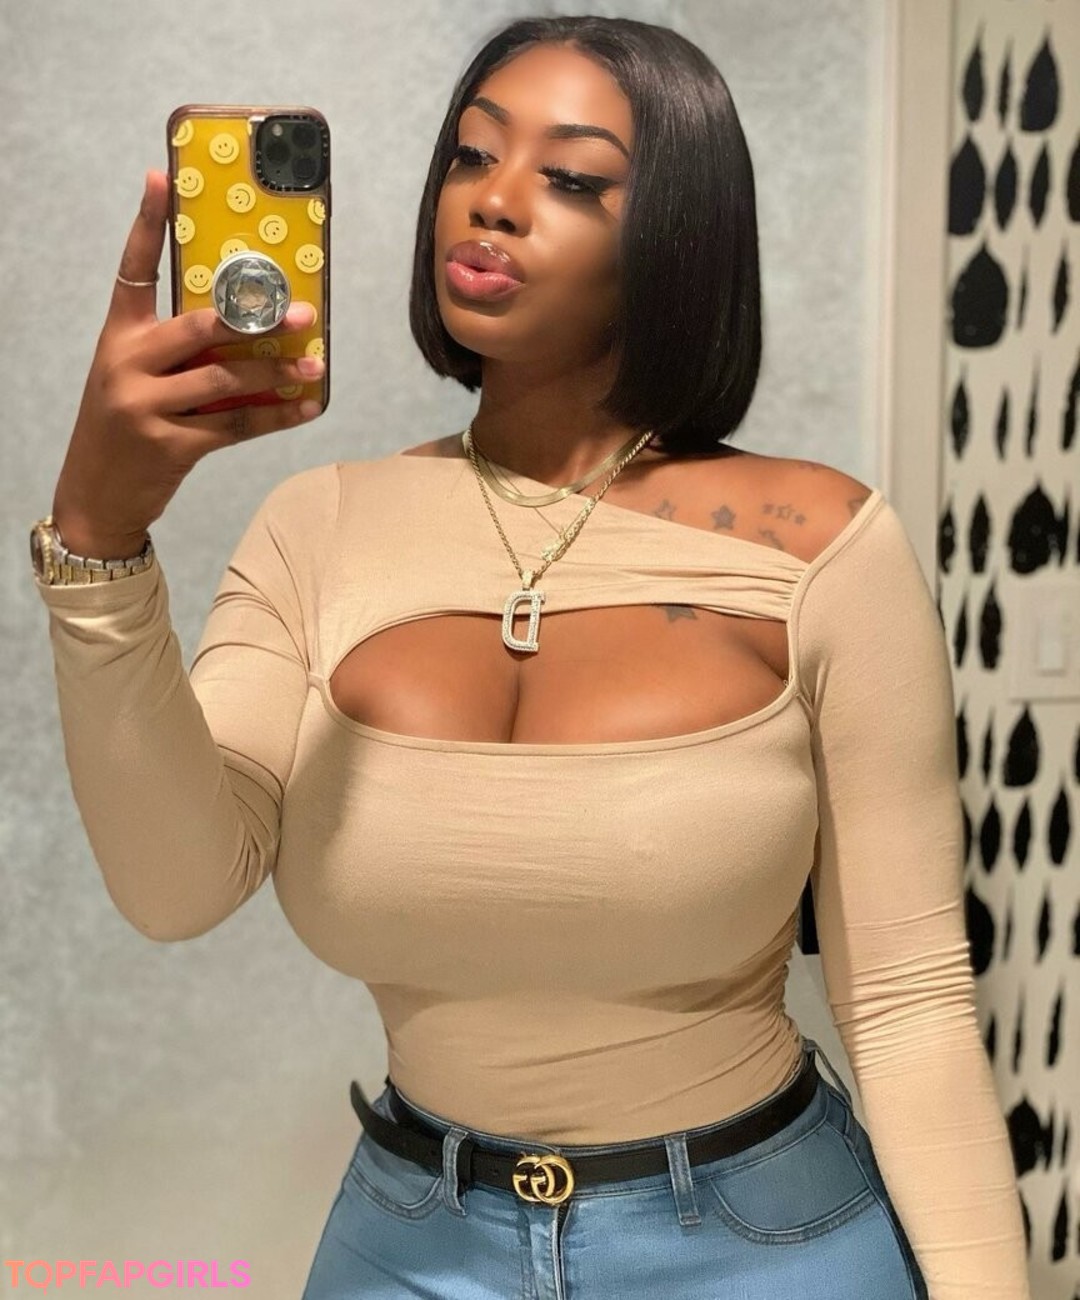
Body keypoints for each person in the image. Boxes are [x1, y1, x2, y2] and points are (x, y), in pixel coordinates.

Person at [30, 14, 1031, 1299]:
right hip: (410, 1245)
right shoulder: (318, 529)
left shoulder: (824, 547)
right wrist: (101, 544)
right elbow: (174, 887)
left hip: (767, 1246)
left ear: (677, 233)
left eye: (571, 177)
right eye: (472, 154)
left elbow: (908, 1002)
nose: (493, 201)